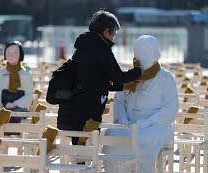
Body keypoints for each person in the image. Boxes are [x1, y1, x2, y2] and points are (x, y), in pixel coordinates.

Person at [56, 9, 143, 145]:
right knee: (87, 149)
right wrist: (139, 70)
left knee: (79, 149)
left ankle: (79, 163)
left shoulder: (83, 46)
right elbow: (119, 76)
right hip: (87, 112)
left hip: (71, 110)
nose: (114, 37)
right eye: (114, 33)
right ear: (107, 31)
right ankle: (83, 164)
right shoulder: (101, 48)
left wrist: (120, 87)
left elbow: (94, 79)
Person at [102, 35, 179, 173]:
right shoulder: (131, 76)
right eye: (137, 55)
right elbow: (119, 100)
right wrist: (122, 117)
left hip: (157, 127)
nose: (140, 59)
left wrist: (150, 121)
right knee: (110, 135)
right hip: (130, 124)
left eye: (144, 54)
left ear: (156, 55)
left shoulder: (165, 78)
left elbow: (172, 107)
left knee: (143, 139)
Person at [0, 41, 33, 125]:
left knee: (12, 118)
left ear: (21, 54)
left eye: (15, 52)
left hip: (19, 108)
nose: (11, 55)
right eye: (8, 52)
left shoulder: (26, 74)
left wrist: (14, 104)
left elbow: (29, 95)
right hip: (0, 107)